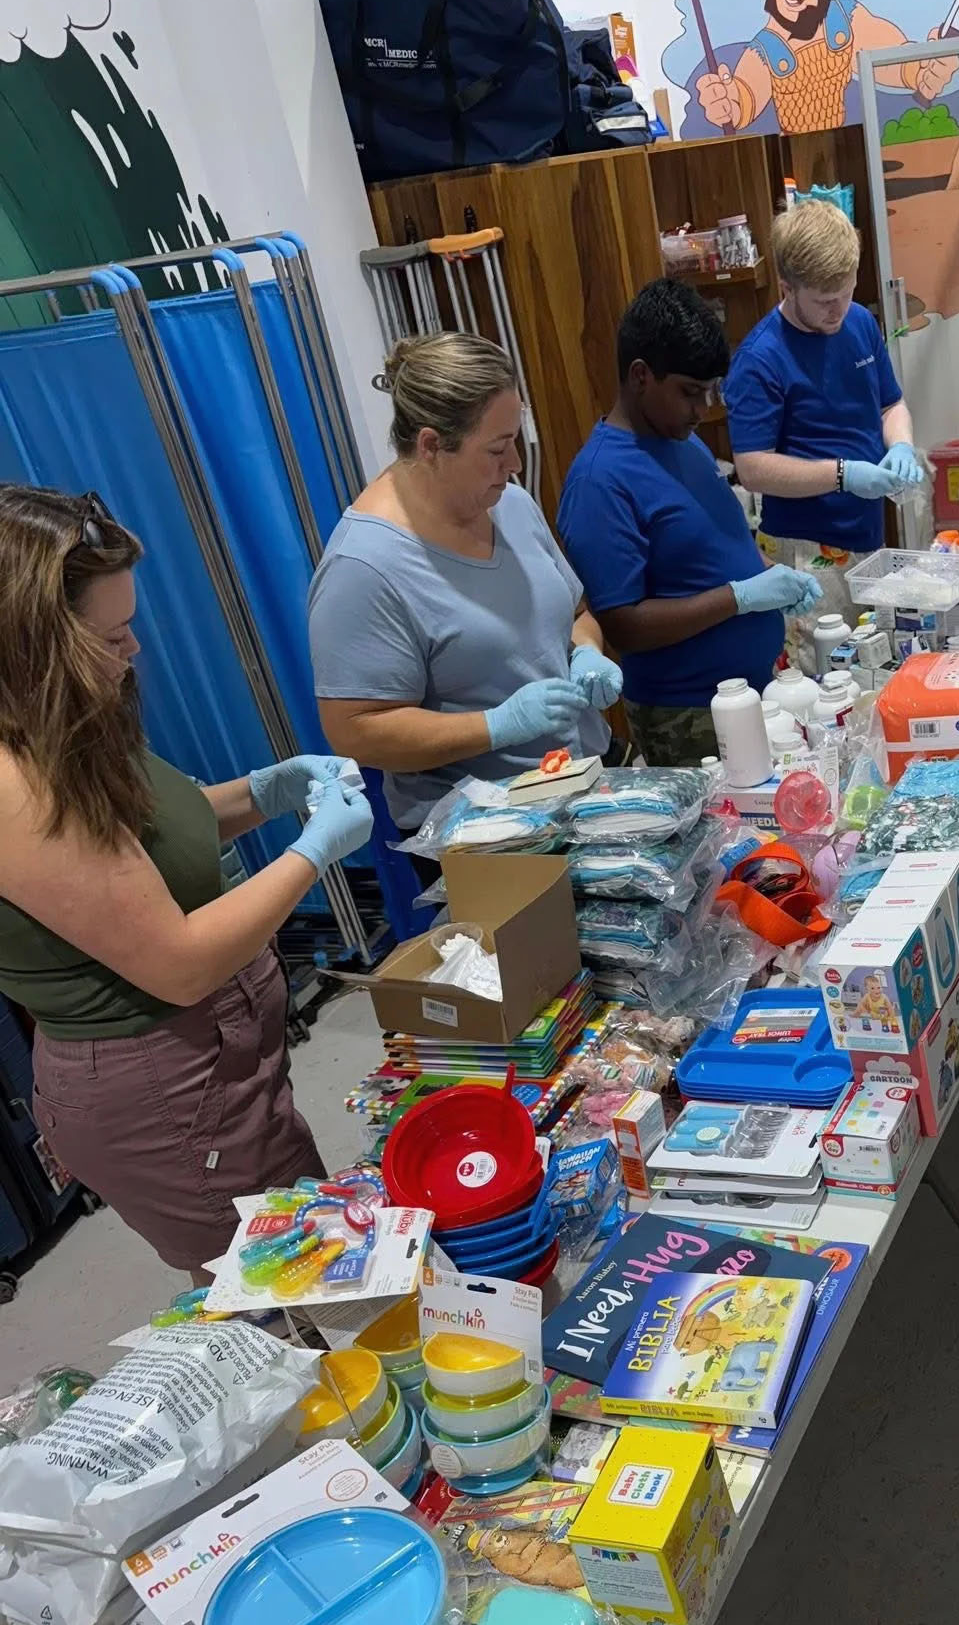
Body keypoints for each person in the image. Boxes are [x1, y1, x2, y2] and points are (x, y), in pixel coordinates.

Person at [0, 486, 374, 1273]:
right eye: (111, 635)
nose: (133, 648)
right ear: (31, 645)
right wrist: (312, 852)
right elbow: (179, 963)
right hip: (160, 1091)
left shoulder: (58, 717)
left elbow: (146, 837)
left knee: (314, 1247)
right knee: (277, 1290)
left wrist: (265, 792)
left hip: (218, 1056)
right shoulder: (12, 784)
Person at [308, 331, 622, 835]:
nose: (515, 464)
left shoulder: (510, 505)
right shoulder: (364, 567)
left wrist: (586, 653)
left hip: (581, 784)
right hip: (481, 831)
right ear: (432, 445)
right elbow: (356, 729)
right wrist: (495, 726)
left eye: (515, 439)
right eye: (497, 449)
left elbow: (575, 612)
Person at [558, 279, 822, 766]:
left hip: (755, 690)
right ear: (641, 376)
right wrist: (740, 597)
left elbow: (715, 541)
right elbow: (624, 625)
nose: (703, 409)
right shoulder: (600, 481)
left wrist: (771, 577)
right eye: (689, 392)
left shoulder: (682, 440)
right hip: (687, 717)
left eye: (710, 391)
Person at [726, 200, 922, 620]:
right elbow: (752, 468)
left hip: (868, 536)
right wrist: (842, 475)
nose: (838, 310)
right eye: (824, 301)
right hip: (804, 550)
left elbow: (890, 404)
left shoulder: (860, 323)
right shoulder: (760, 359)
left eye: (846, 293)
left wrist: (902, 446)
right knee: (825, 658)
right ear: (787, 288)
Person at [694, 0, 958, 136]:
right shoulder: (765, 47)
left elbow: (893, 61)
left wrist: (924, 68)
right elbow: (744, 98)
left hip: (847, 149)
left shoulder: (844, 19)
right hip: (795, 159)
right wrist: (725, 101)